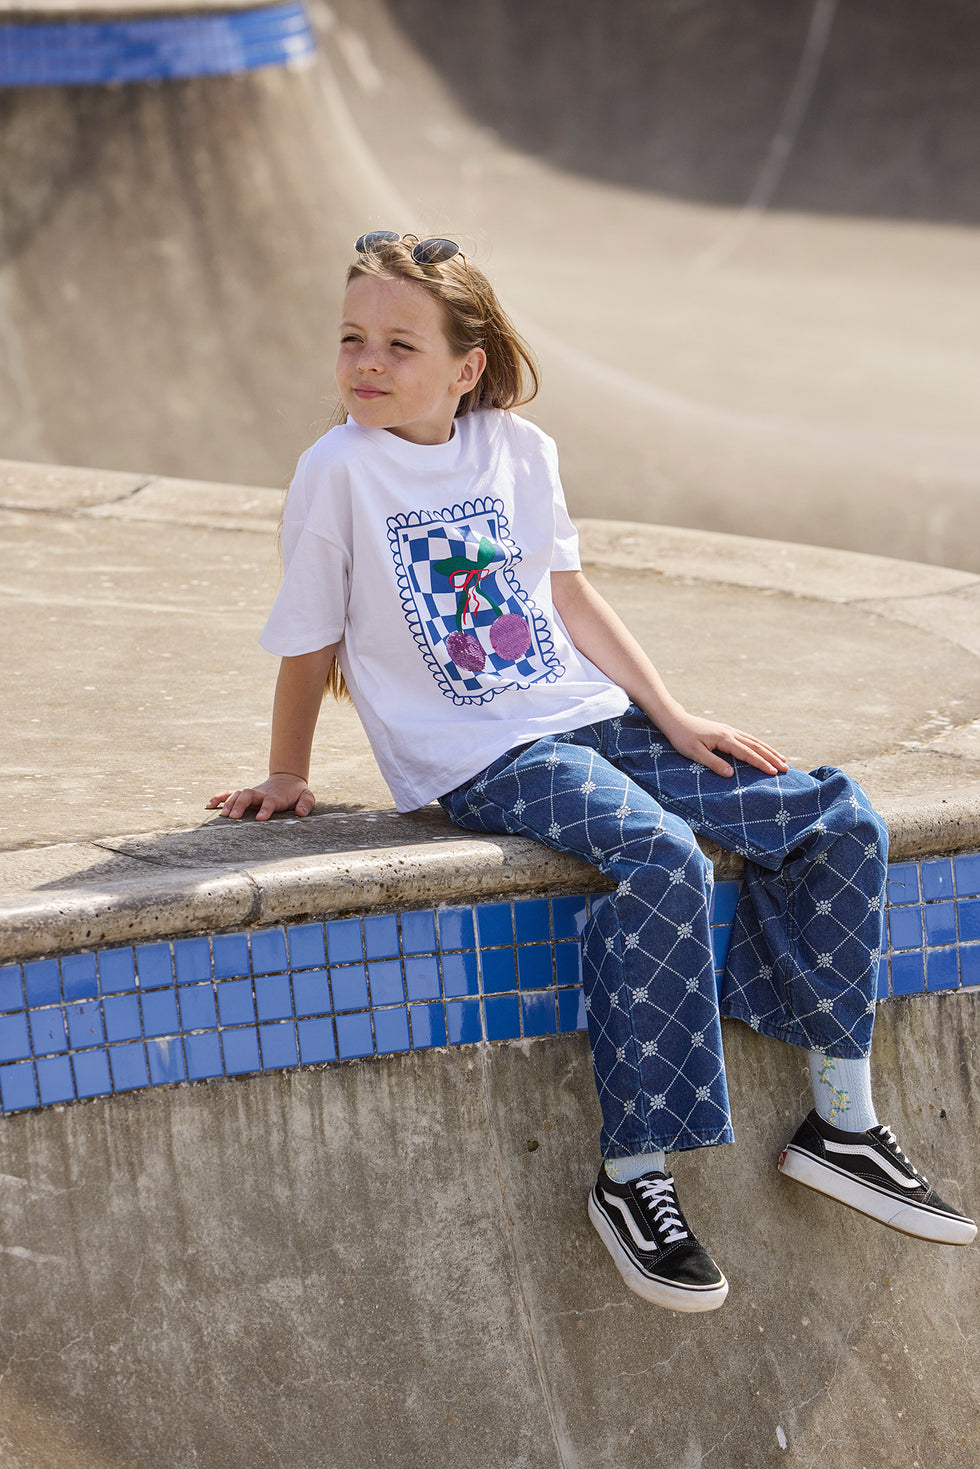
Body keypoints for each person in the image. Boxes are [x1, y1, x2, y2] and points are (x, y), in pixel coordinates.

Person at [208, 231, 976, 1312]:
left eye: (399, 344)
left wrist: (670, 714)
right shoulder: (337, 471)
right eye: (351, 339)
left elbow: (567, 595)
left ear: (466, 366)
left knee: (835, 818)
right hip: (482, 753)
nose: (366, 362)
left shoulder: (519, 449)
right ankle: (633, 1173)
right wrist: (286, 771)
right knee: (660, 857)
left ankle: (840, 1122)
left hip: (591, 714)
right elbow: (307, 638)